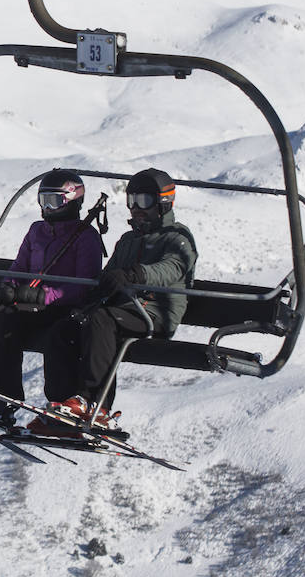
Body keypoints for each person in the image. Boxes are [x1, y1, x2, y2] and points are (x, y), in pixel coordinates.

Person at [0, 169, 105, 424]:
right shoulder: (37, 231)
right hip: (27, 301)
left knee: (10, 318)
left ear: (72, 201)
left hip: (59, 308)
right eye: (43, 200)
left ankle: (2, 396)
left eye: (54, 201)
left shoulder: (86, 237)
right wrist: (9, 286)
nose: (47, 208)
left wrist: (43, 295)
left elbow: (84, 286)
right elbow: (19, 267)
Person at [36, 167, 198, 431]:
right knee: (64, 329)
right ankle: (62, 405)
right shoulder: (127, 240)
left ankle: (94, 405)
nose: (136, 208)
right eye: (131, 201)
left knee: (100, 321)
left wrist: (135, 274)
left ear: (163, 203)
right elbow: (110, 276)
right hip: (121, 311)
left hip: (153, 314)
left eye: (143, 201)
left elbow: (171, 269)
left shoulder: (178, 239)